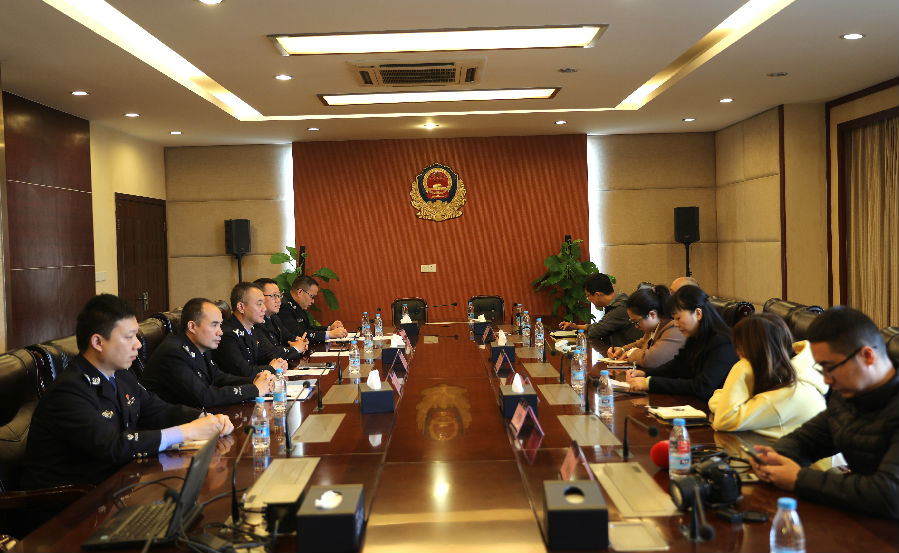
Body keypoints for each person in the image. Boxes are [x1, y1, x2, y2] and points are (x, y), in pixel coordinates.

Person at [22, 294, 233, 489]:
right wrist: (187, 432)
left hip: (117, 486)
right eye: (129, 337)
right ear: (98, 342)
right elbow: (113, 446)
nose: (138, 345)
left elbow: (156, 409)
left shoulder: (121, 375)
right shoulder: (69, 391)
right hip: (71, 503)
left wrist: (205, 418)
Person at [748, 307, 898, 520]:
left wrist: (799, 478)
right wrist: (775, 457)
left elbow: (889, 494)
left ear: (867, 356)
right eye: (822, 369)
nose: (826, 379)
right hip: (864, 519)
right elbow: (806, 440)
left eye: (830, 367)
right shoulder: (847, 395)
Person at [141, 298, 275, 408]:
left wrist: (255, 381)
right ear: (192, 326)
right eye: (214, 325)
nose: (220, 332)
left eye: (220, 325)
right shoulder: (174, 353)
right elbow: (203, 397)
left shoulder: (200, 345)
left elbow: (218, 378)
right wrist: (254, 390)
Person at [708, 313, 827, 437]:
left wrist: (742, 366)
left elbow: (724, 419)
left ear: (756, 349)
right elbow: (722, 401)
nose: (737, 353)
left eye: (740, 347)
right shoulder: (780, 375)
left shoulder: (790, 393)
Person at [626, 285, 738, 400]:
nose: (675, 324)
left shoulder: (723, 343)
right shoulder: (696, 337)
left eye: (678, 318)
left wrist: (650, 383)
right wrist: (646, 374)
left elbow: (702, 386)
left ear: (698, 313)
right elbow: (677, 365)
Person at [213, 282, 288, 378]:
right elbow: (243, 372)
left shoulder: (250, 329)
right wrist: (272, 368)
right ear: (241, 307)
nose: (264, 308)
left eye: (263, 303)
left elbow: (264, 355)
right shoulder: (227, 335)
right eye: (259, 304)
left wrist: (279, 362)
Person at [607, 285, 686, 368]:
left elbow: (651, 360)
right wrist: (622, 350)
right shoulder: (653, 328)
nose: (636, 326)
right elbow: (641, 343)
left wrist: (631, 353)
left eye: (636, 322)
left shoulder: (673, 328)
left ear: (652, 314)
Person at [558, 273, 642, 348]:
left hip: (627, 356)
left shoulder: (620, 308)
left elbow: (596, 331)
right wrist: (576, 327)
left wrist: (580, 327)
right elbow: (601, 325)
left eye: (588, 296)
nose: (588, 299)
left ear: (597, 295)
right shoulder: (619, 301)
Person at [279, 275, 347, 343]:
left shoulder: (299, 304)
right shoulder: (283, 307)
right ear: (300, 292)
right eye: (312, 297)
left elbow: (308, 328)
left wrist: (329, 329)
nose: (313, 301)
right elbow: (298, 334)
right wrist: (330, 334)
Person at [253, 277, 308, 360]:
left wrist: (300, 342)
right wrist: (296, 349)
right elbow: (271, 352)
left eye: (279, 296)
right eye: (274, 296)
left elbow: (289, 337)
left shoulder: (274, 318)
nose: (278, 300)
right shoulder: (255, 322)